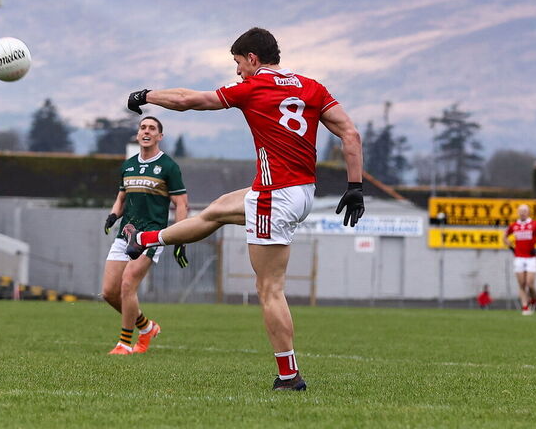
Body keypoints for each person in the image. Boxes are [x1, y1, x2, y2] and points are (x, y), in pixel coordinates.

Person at [123, 27, 364, 391]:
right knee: (218, 210)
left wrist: (146, 95)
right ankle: (146, 238)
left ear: (253, 58)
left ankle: (289, 376)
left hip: (275, 194)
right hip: (300, 191)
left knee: (269, 289)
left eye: (238, 63)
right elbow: (350, 133)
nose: (237, 71)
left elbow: (190, 100)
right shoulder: (312, 87)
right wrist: (355, 187)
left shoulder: (253, 88)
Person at [101, 116, 188, 355]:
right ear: (138, 135)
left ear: (160, 136)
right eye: (143, 127)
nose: (146, 131)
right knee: (109, 292)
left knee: (127, 285)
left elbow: (181, 204)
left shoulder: (169, 166)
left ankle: (124, 343)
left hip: (151, 236)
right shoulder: (128, 165)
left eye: (152, 128)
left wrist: (180, 237)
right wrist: (113, 215)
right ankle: (147, 327)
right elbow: (121, 198)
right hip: (125, 234)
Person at [504, 203, 536, 316]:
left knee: (530, 283)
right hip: (519, 258)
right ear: (518, 212)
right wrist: (511, 247)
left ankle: (534, 298)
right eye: (520, 210)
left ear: (528, 212)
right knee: (522, 284)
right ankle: (525, 307)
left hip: (531, 258)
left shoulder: (535, 224)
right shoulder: (514, 226)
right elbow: (504, 237)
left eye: (525, 210)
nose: (522, 212)